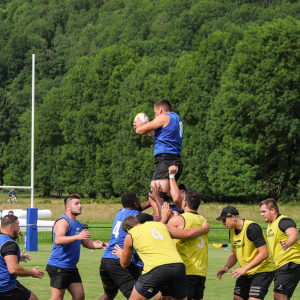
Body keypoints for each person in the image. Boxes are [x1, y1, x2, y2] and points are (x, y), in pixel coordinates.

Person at [113, 203, 210, 300]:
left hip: (157, 269)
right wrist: (204, 229)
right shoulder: (161, 226)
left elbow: (125, 264)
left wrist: (122, 255)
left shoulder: (130, 234)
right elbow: (187, 233)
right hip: (179, 267)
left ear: (128, 230)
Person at [99, 191, 165, 300]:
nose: (141, 201)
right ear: (135, 204)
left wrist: (148, 203)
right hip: (119, 261)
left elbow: (137, 208)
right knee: (137, 298)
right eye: (139, 198)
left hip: (106, 260)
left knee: (108, 295)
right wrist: (157, 199)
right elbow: (162, 218)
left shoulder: (120, 212)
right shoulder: (139, 217)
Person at [46, 193, 107, 300]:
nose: (80, 206)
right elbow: (58, 240)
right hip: (59, 266)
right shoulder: (63, 222)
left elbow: (86, 242)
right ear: (68, 207)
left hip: (71, 267)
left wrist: (101, 245)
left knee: (79, 296)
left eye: (80, 203)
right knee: (57, 298)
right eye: (76, 203)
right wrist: (77, 237)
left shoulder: (78, 224)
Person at [216, 206, 276, 300]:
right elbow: (234, 253)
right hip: (246, 271)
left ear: (233, 217)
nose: (223, 223)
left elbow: (264, 254)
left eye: (224, 220)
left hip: (263, 270)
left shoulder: (252, 228)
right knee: (237, 298)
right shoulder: (231, 231)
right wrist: (227, 266)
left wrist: (245, 268)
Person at [134, 99, 184, 202]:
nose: (155, 116)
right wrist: (149, 133)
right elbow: (164, 139)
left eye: (155, 113)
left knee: (155, 200)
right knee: (163, 200)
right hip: (175, 160)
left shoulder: (164, 117)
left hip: (165, 162)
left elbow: (139, 130)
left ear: (160, 110)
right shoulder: (176, 118)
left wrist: (139, 124)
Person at [167, 189, 209, 300]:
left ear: (185, 203)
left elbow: (162, 233)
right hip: (201, 270)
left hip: (186, 269)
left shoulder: (178, 220)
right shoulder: (203, 220)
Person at [260, 198, 300, 300]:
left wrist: (287, 244)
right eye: (261, 212)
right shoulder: (270, 225)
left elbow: (294, 235)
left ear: (273, 210)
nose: (261, 214)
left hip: (291, 263)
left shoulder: (283, 220)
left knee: (278, 295)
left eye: (264, 211)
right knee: (282, 297)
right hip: (280, 265)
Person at [0, 214, 44, 300]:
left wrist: (17, 258)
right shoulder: (9, 244)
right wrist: (33, 273)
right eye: (17, 225)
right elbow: (13, 269)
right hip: (6, 288)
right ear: (11, 228)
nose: (19, 228)